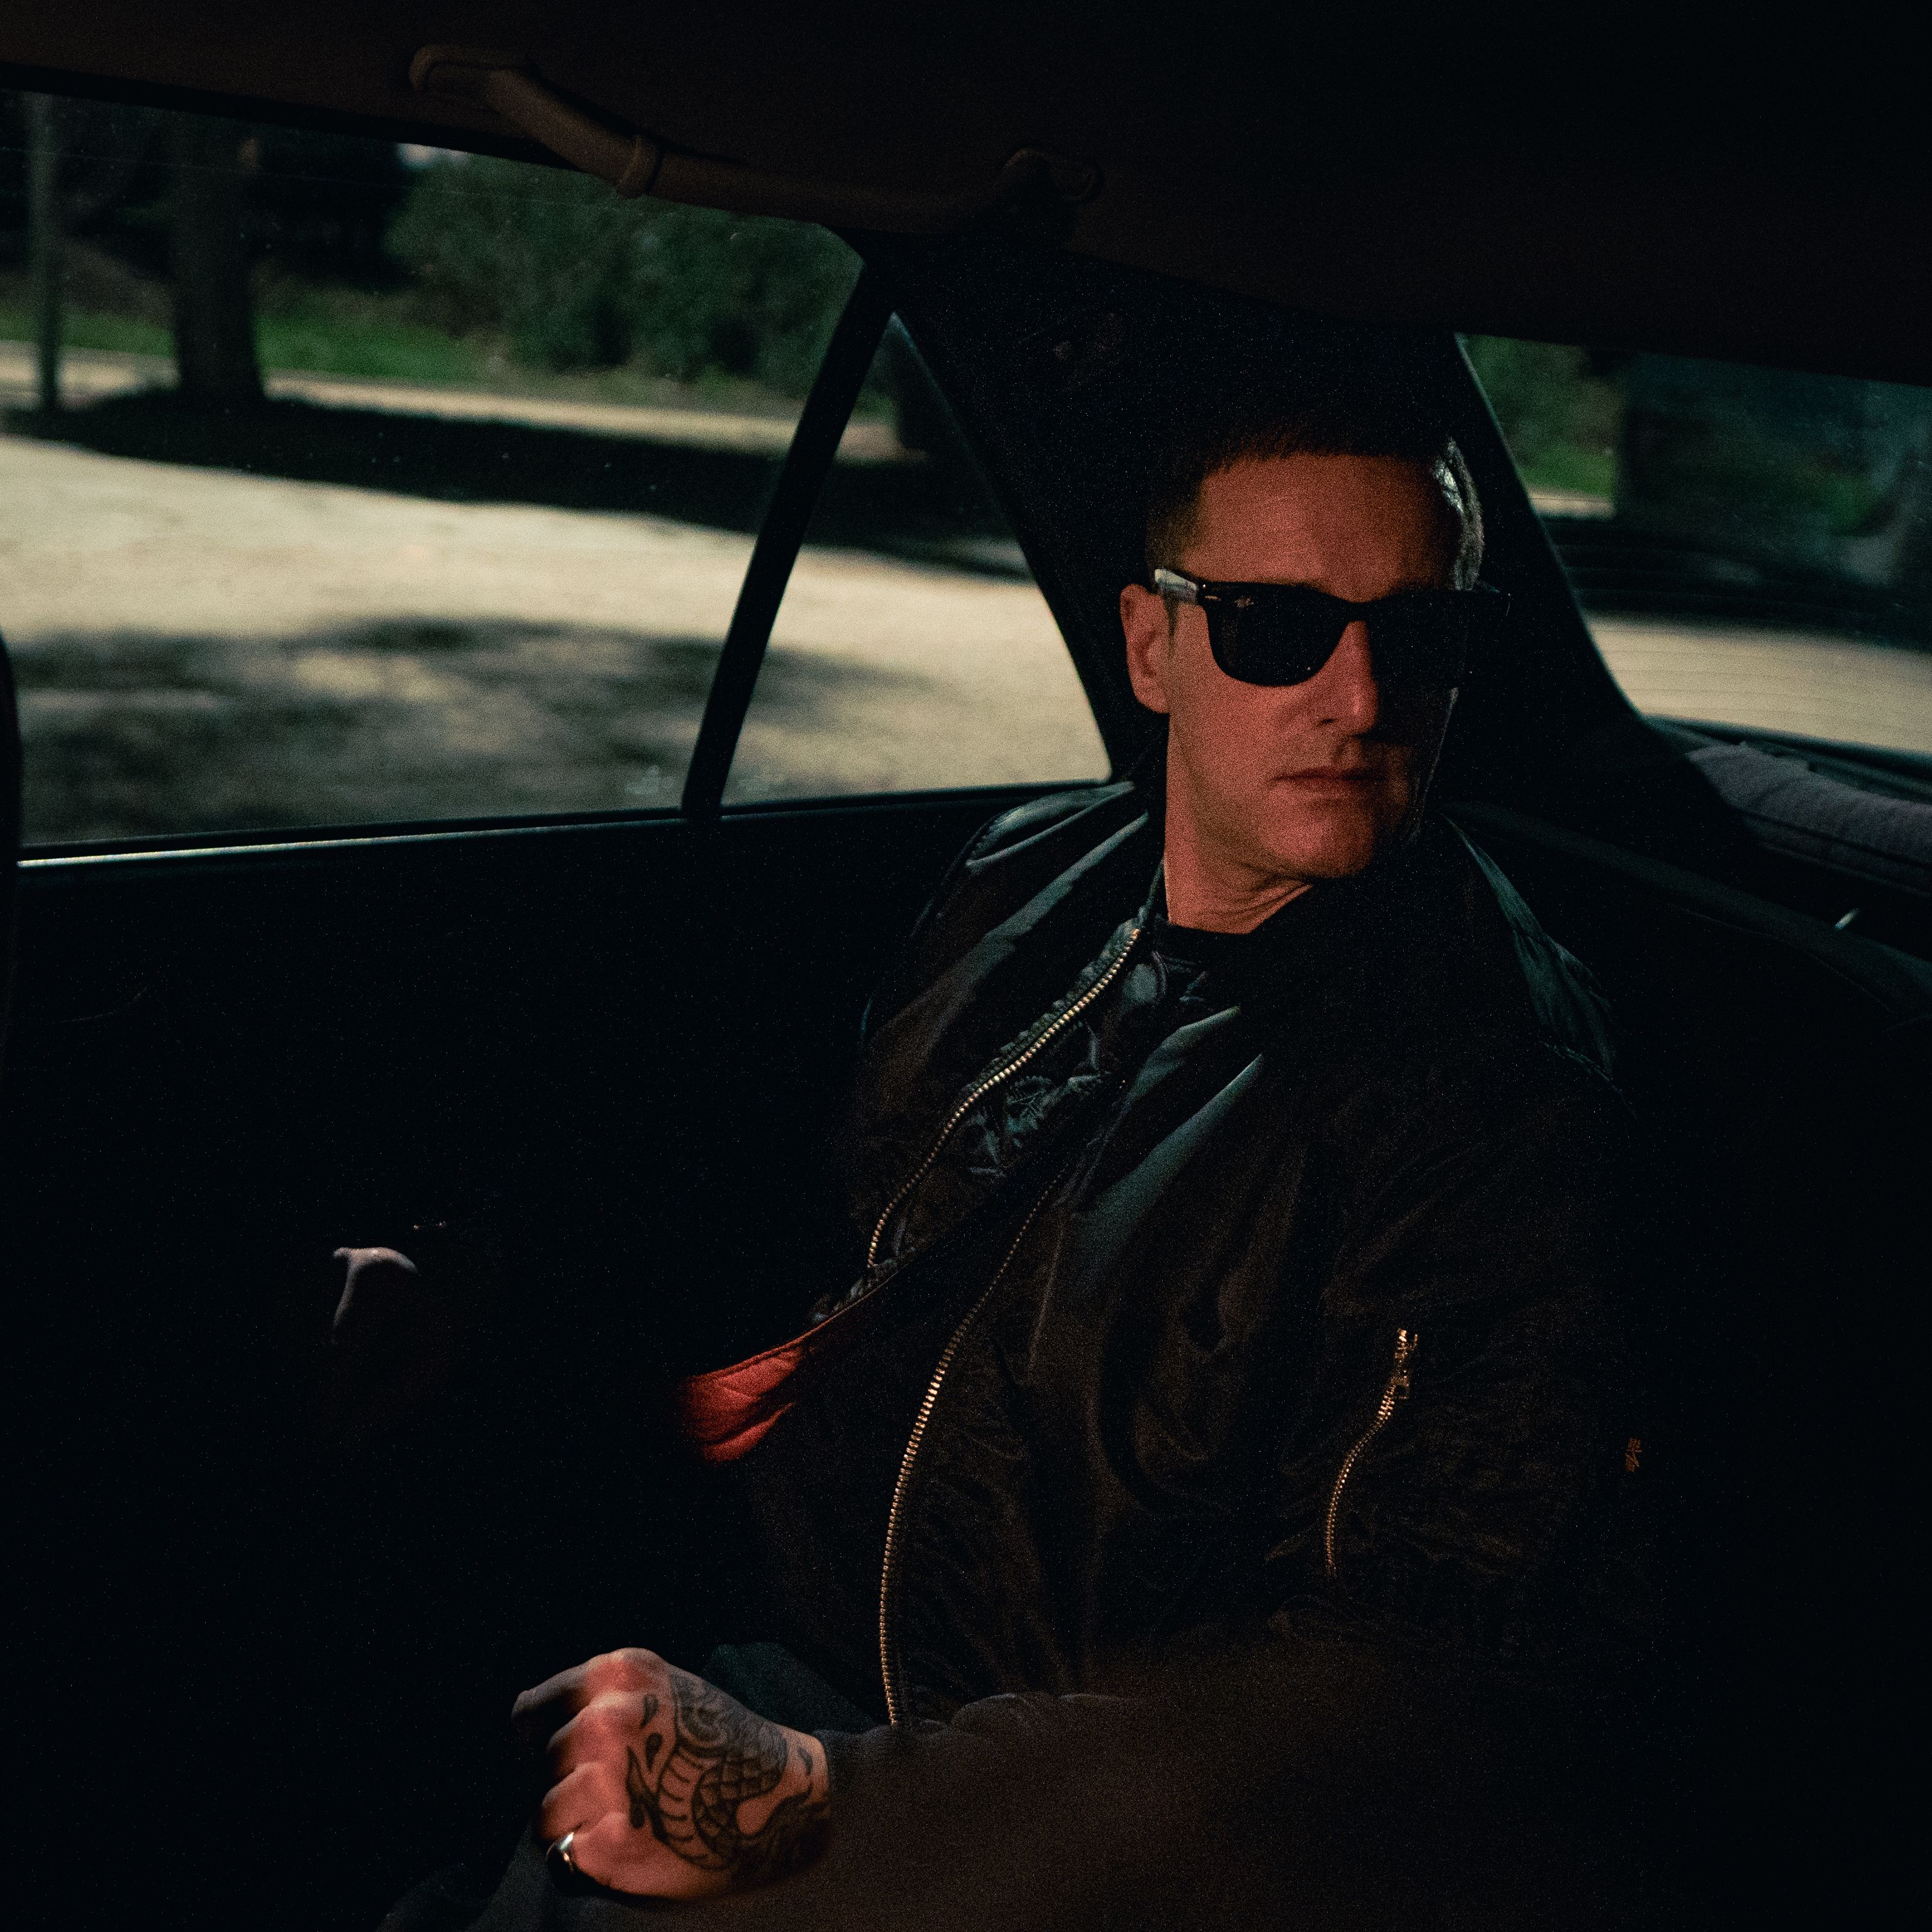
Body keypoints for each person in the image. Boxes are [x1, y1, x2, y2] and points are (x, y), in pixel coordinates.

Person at [360, 362, 1653, 1928]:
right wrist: (479, 1299)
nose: (1364, 700)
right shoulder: (1037, 874)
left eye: (1422, 635)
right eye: (1277, 629)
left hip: (1062, 1836)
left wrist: (827, 1798)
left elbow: (1405, 1718)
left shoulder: (1496, 1107)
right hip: (782, 1649)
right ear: (1152, 646)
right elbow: (818, 1238)